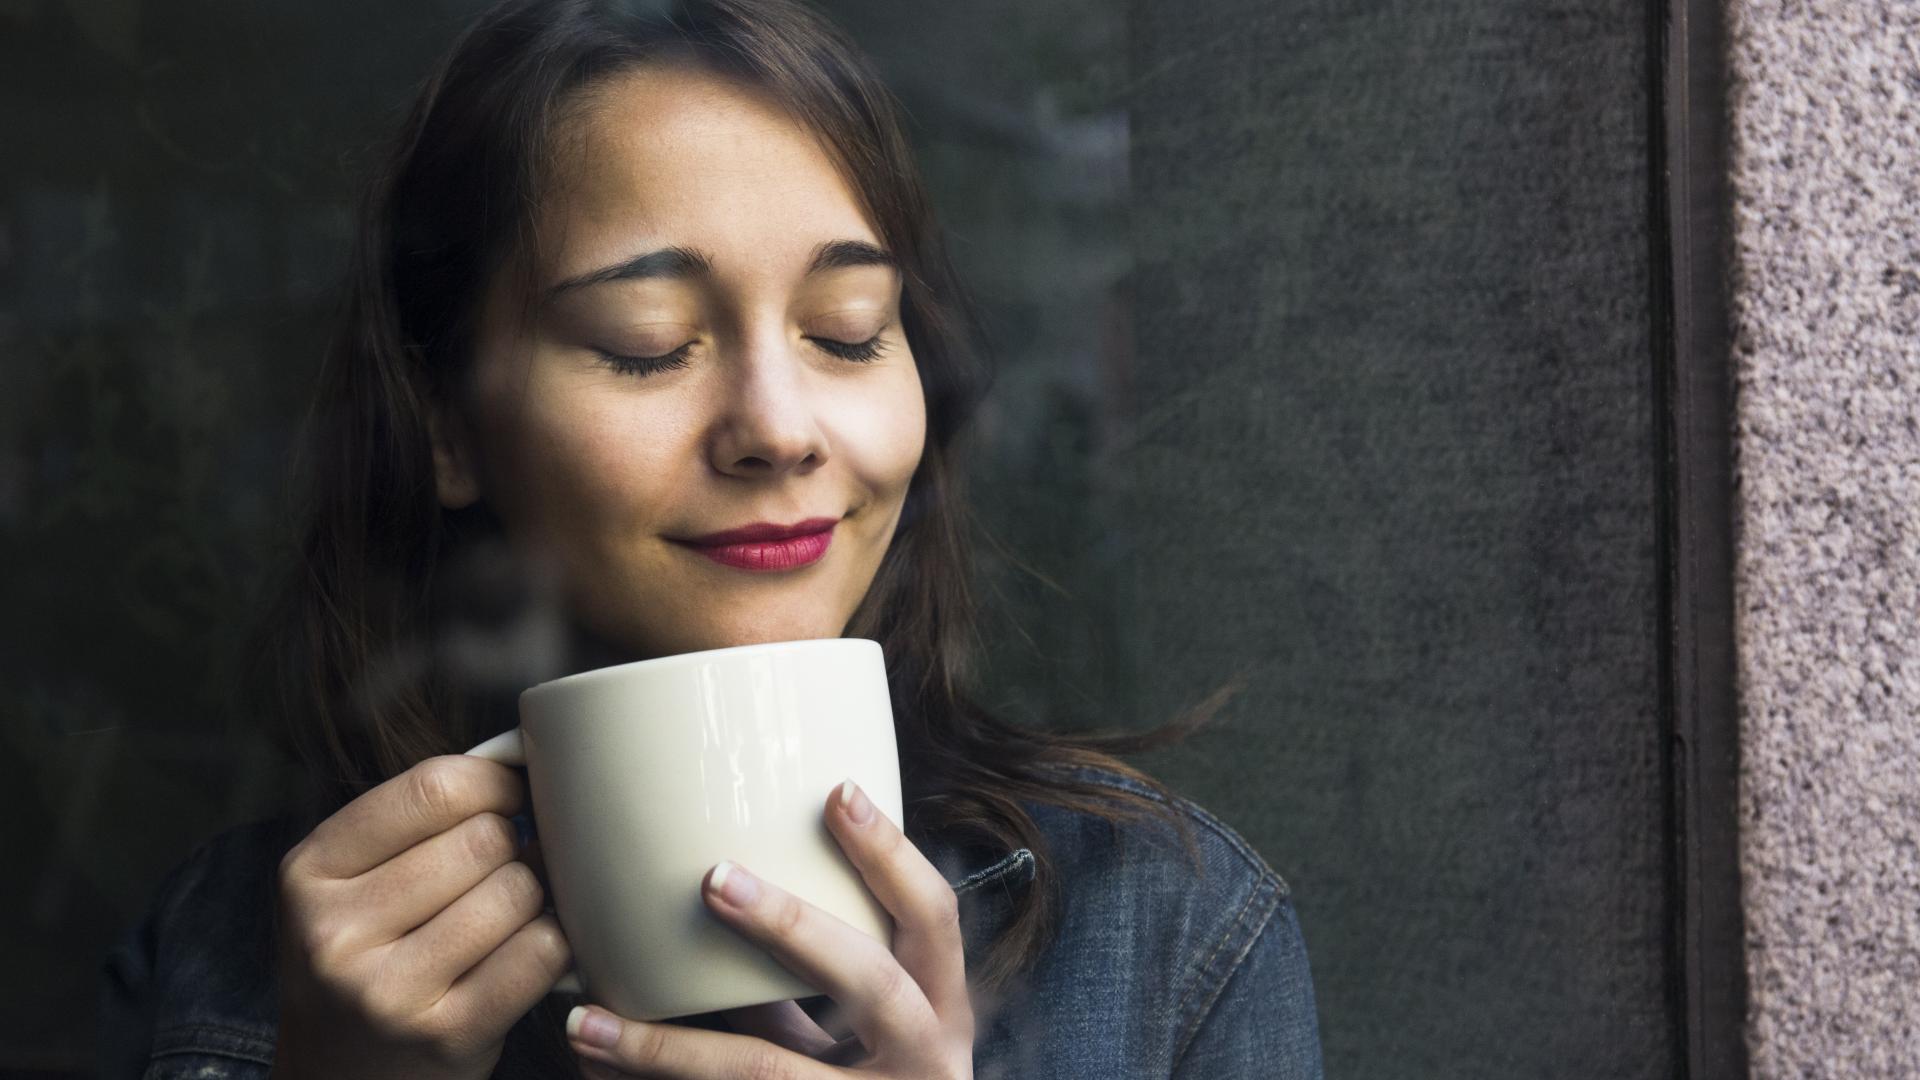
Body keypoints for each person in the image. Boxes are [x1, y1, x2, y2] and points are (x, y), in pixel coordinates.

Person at [98, 1, 1325, 1076]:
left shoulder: (1170, 929)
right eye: (646, 342)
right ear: (448, 423)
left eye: (848, 331)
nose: (779, 432)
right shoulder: (234, 952)